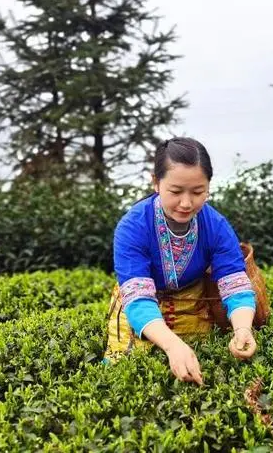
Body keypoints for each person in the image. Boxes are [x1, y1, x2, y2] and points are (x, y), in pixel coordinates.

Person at [103, 137, 264, 386]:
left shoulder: (216, 226)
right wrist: (173, 345)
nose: (187, 203)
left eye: (198, 192)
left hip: (192, 304)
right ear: (156, 183)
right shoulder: (133, 226)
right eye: (176, 192)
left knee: (201, 364)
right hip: (140, 308)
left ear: (208, 186)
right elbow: (138, 297)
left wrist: (242, 329)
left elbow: (236, 285)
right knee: (130, 373)